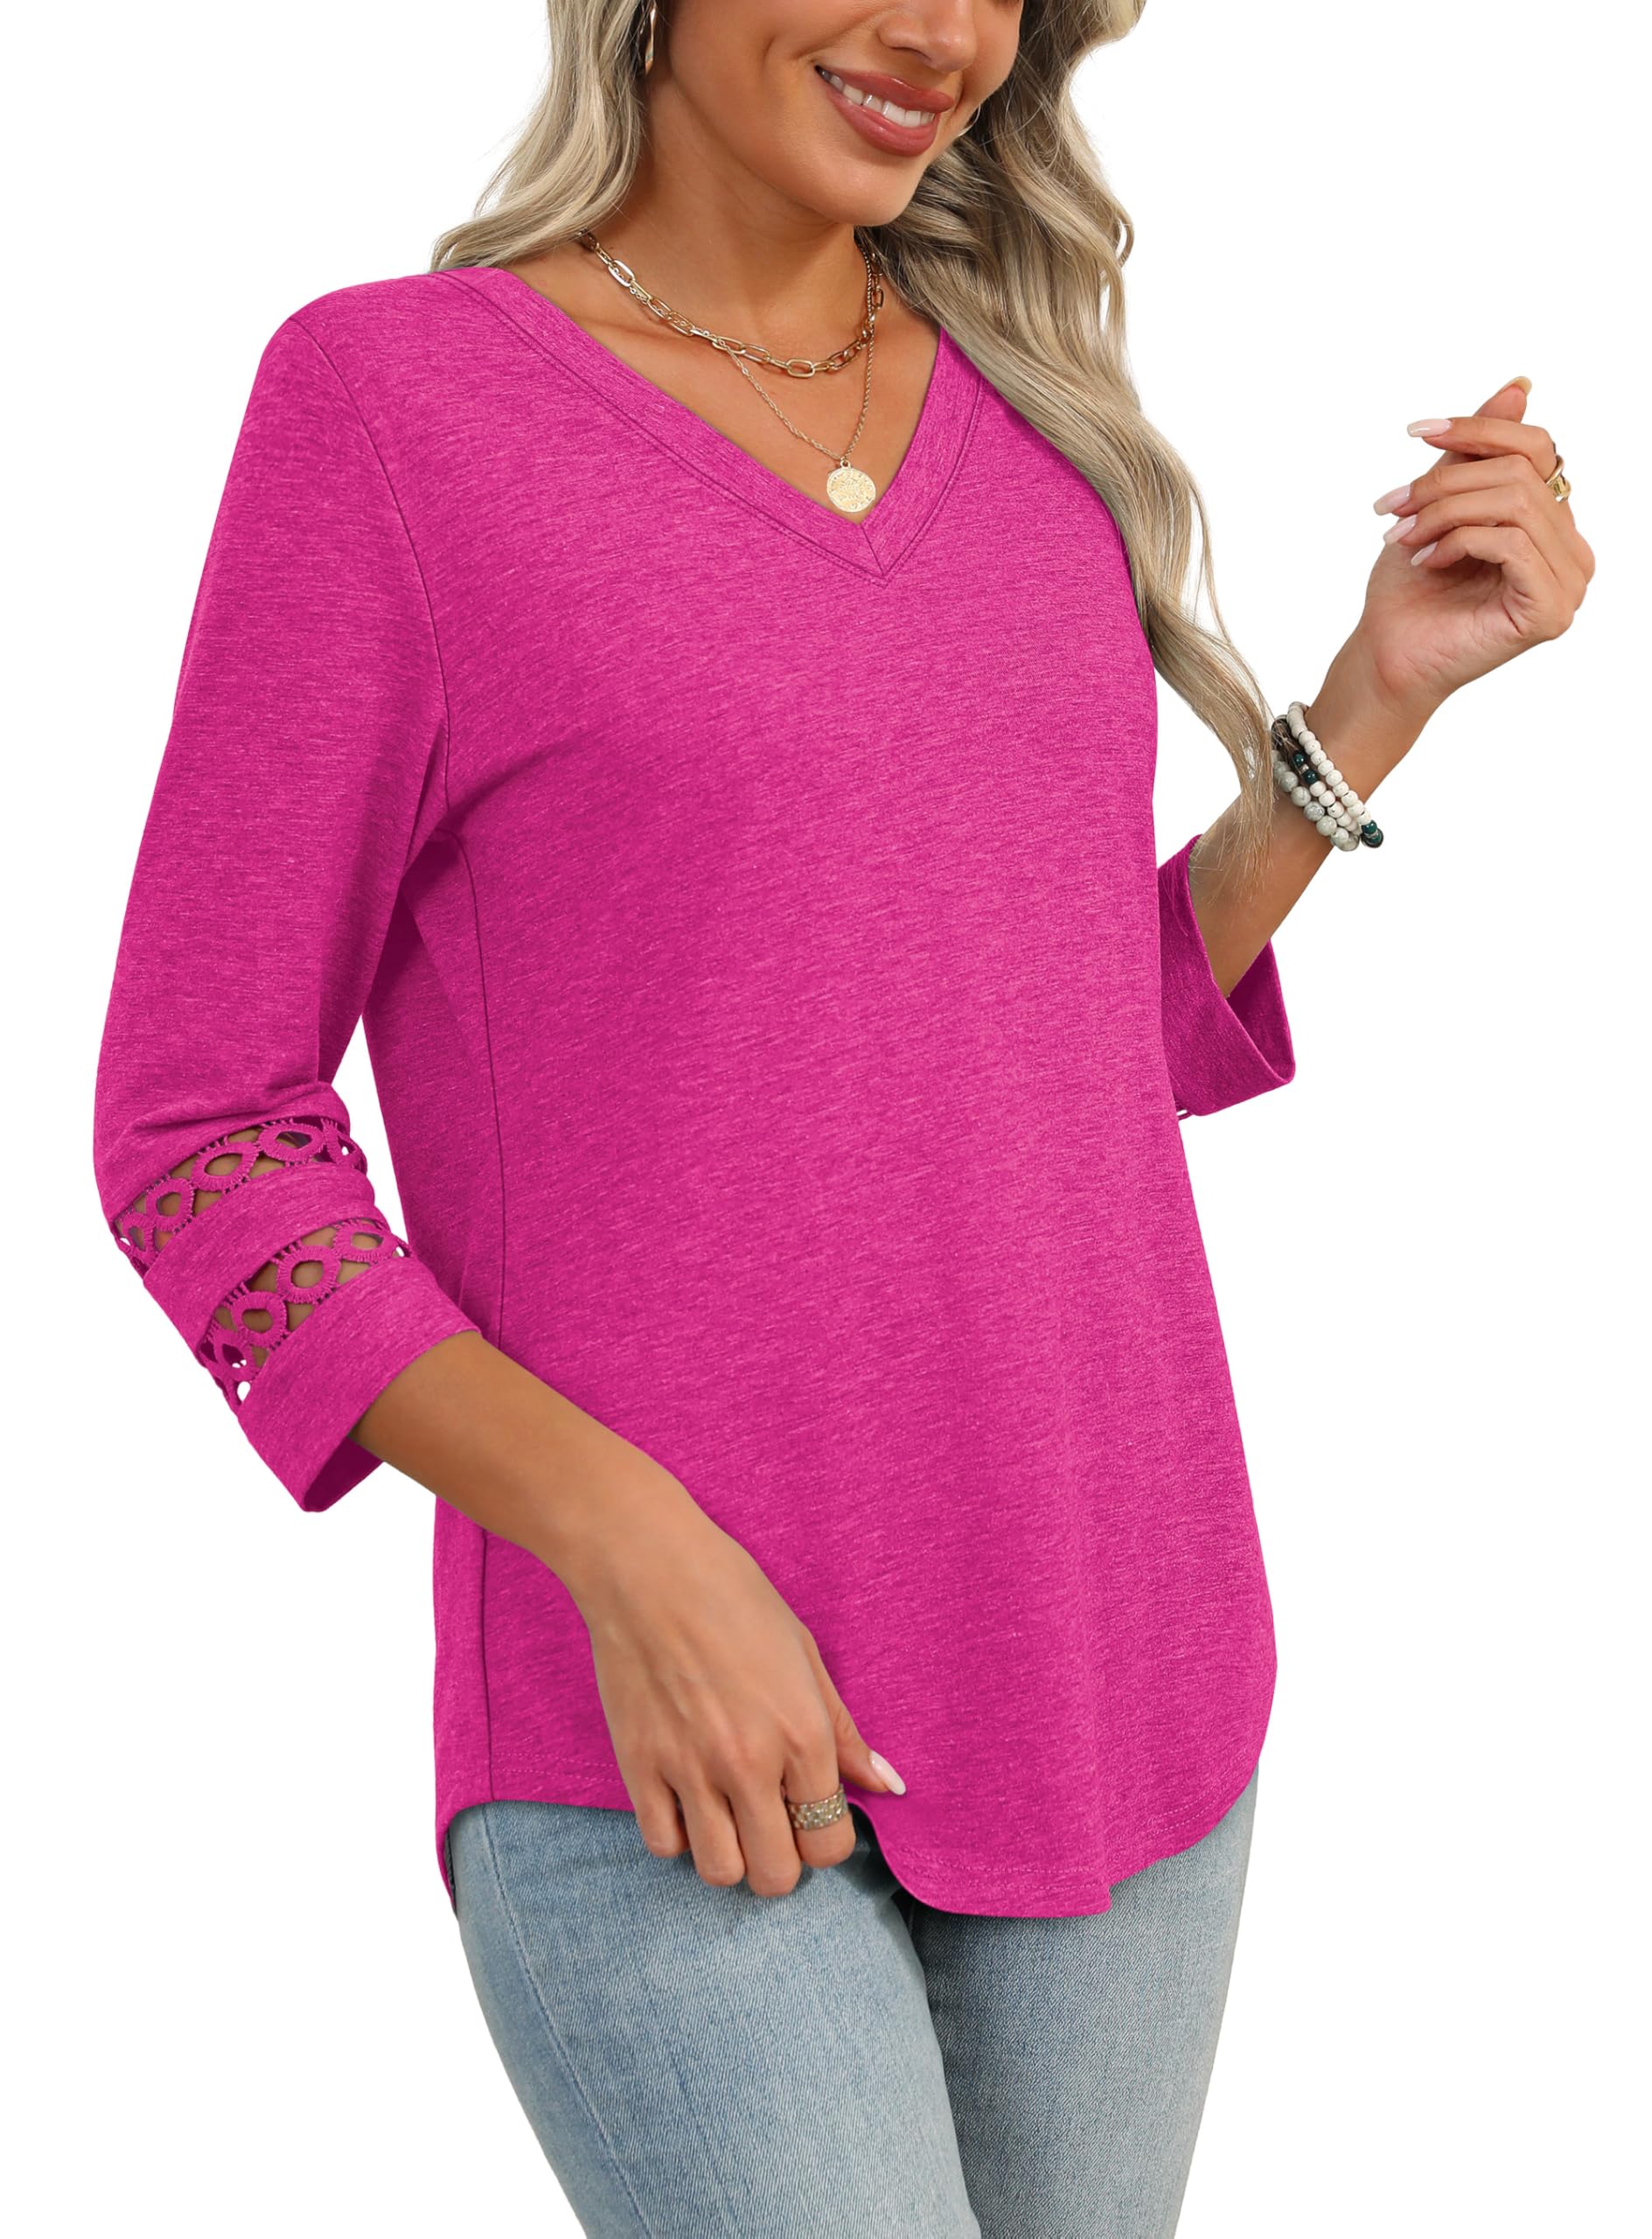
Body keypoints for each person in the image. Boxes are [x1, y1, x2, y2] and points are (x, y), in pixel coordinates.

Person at [91, 2, 1593, 2232]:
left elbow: (1043, 1042)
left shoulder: (1028, 418)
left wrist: (1372, 705)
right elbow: (201, 1127)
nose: (943, 30)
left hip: (1118, 1651)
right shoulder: (397, 408)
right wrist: (626, 1543)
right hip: (672, 1743)